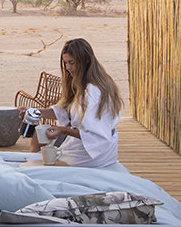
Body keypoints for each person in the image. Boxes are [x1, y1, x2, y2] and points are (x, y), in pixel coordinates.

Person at [18, 38, 124, 169]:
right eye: (66, 63)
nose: (68, 68)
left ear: (86, 60)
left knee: (43, 162)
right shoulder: (81, 84)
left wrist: (63, 130)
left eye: (71, 63)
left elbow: (96, 136)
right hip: (85, 145)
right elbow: (64, 111)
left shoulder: (93, 92)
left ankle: (38, 173)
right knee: (36, 139)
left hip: (93, 153)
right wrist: (35, 112)